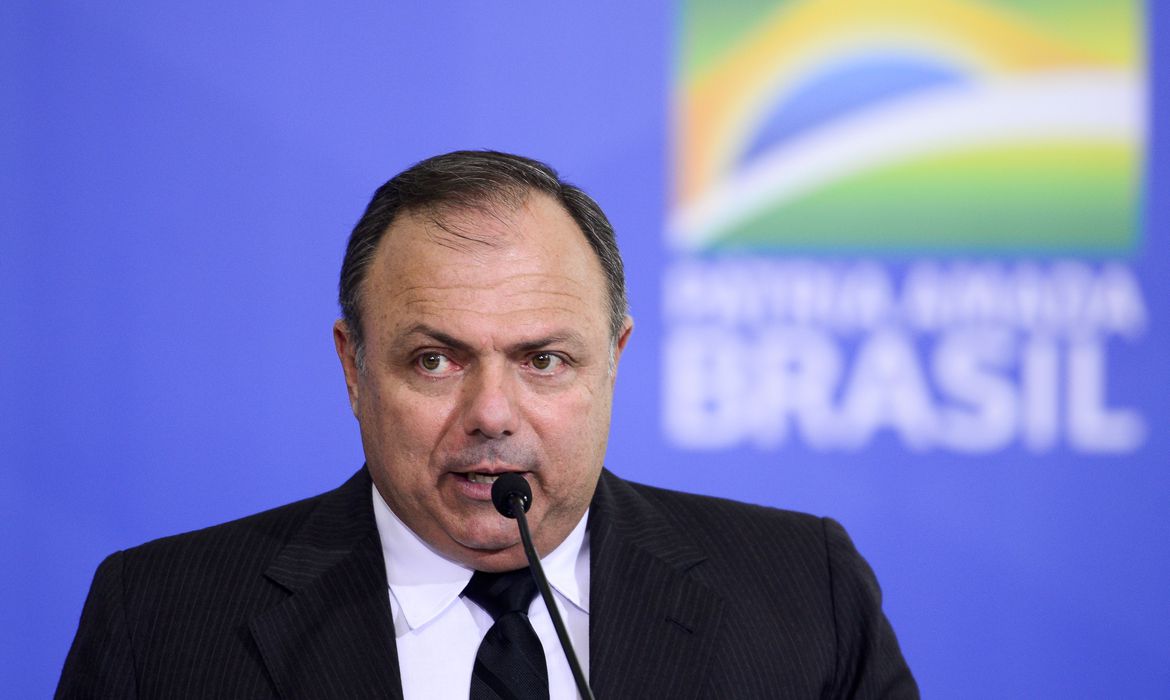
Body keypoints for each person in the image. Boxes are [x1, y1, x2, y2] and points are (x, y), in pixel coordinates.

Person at [57, 150, 918, 699]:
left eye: (544, 359)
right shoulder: (161, 621)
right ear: (354, 367)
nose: (492, 414)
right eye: (436, 360)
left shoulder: (805, 594)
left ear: (614, 360)